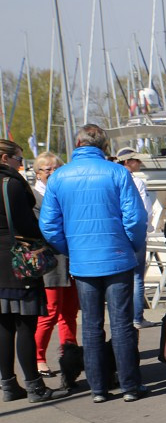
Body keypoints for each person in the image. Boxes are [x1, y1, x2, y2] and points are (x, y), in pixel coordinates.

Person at [39, 124, 149, 403]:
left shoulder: (59, 177)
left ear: (77, 143)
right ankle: (129, 386)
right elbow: (135, 219)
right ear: (104, 146)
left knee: (90, 325)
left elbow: (49, 226)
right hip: (117, 258)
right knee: (122, 325)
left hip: (83, 261)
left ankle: (98, 388)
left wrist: (72, 249)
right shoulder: (117, 173)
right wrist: (131, 246)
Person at [0, 139, 60, 402]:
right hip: (17, 262)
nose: (21, 164)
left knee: (3, 326)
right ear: (5, 157)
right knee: (26, 325)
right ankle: (34, 386)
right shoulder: (10, 184)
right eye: (18, 159)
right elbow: (26, 225)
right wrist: (48, 238)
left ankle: (8, 385)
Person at [31, 152, 80, 383]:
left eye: (56, 168)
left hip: (70, 258)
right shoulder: (34, 196)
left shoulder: (65, 192)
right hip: (50, 261)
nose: (52, 172)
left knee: (70, 312)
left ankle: (69, 356)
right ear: (38, 173)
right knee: (49, 312)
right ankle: (38, 357)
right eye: (47, 169)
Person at [115, 146, 158, 329]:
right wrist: (146, 229)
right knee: (137, 277)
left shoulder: (111, 179)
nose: (139, 163)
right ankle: (137, 318)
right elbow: (145, 211)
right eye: (136, 160)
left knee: (118, 278)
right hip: (134, 233)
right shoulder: (137, 182)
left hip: (117, 234)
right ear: (127, 162)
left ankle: (123, 317)